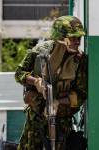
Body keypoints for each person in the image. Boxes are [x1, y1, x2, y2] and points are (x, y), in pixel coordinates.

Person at [15, 16, 87, 150]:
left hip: (61, 120)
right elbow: (19, 73)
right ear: (60, 38)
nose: (77, 42)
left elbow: (82, 94)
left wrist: (59, 101)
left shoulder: (80, 60)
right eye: (72, 38)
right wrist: (36, 81)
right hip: (35, 118)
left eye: (79, 38)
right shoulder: (40, 52)